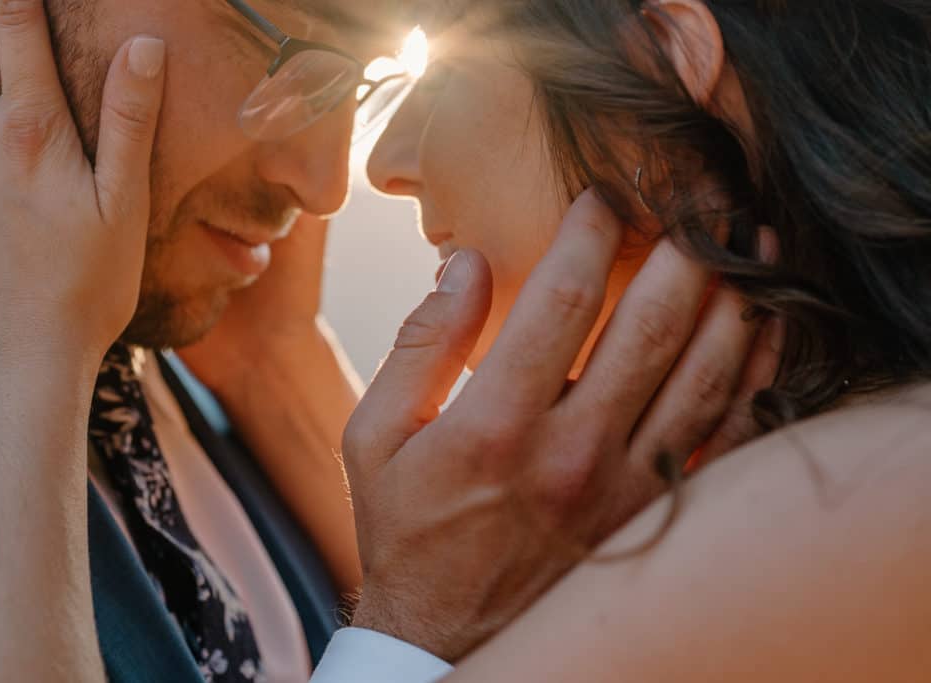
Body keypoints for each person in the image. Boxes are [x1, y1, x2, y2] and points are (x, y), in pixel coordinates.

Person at [0, 1, 774, 682]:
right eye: (286, 45)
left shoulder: (172, 343)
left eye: (355, 86)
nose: (328, 185)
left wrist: (277, 369)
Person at [336, 0, 931, 679]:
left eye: (439, 74)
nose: (384, 163)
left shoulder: (832, 507)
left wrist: (410, 621)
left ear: (664, 53)